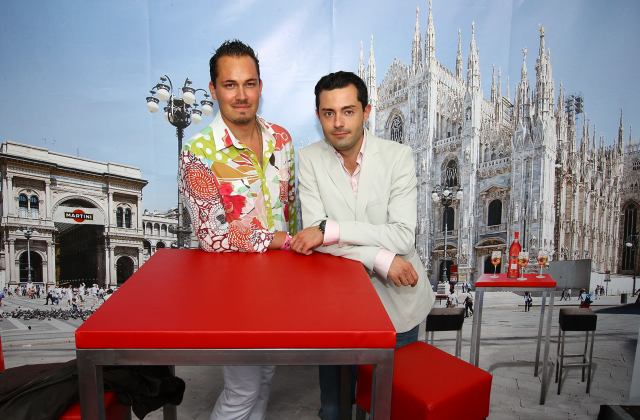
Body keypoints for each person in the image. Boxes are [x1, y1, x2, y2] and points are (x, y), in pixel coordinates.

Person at [291, 71, 434, 420]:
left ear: (366, 112)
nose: (338, 123)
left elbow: (403, 236)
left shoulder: (398, 156)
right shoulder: (308, 159)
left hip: (397, 305)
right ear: (318, 115)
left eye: (348, 111)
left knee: (389, 406)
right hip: (337, 308)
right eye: (328, 113)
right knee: (333, 409)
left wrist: (332, 229)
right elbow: (314, 239)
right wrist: (380, 258)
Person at [179, 39, 297, 420]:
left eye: (249, 84)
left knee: (266, 376)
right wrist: (276, 240)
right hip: (230, 292)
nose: (242, 95)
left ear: (261, 86)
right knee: (242, 389)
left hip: (278, 283)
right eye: (230, 85)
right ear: (213, 90)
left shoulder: (282, 139)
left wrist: (294, 252)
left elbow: (291, 208)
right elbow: (212, 237)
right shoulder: (198, 151)